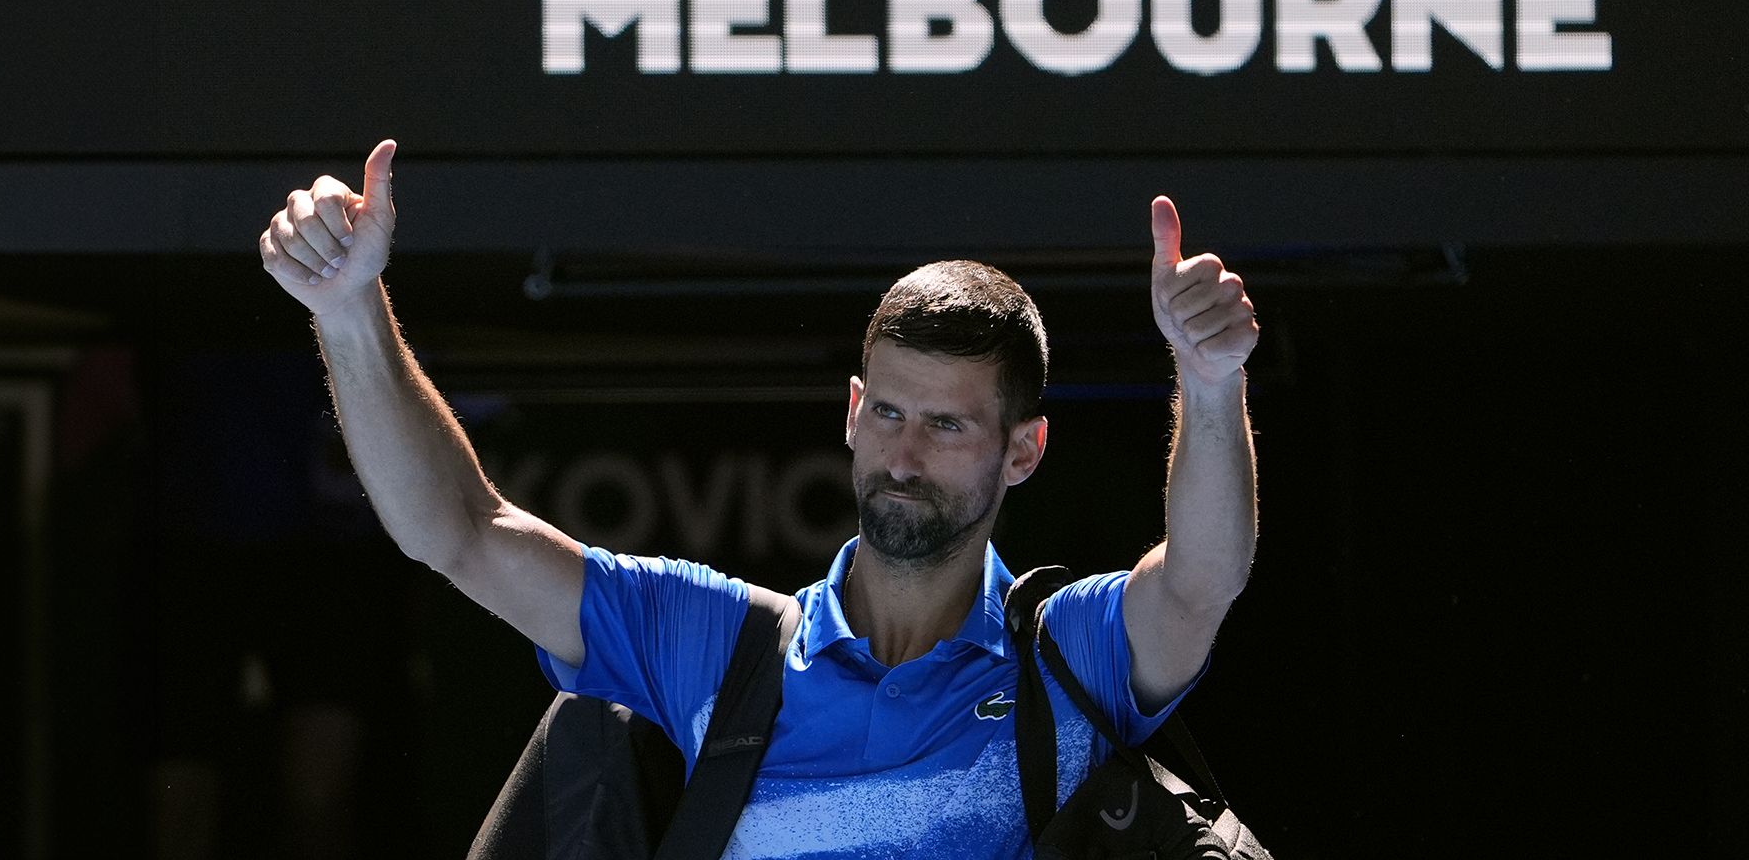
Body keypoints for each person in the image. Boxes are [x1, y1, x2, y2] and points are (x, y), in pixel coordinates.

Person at [258, 140, 1260, 858]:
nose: (905, 455)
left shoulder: (1066, 659)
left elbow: (1201, 579)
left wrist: (1210, 384)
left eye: (949, 426)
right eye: (891, 415)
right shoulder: (717, 645)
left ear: (1024, 451)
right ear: (854, 410)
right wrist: (348, 312)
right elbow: (461, 532)